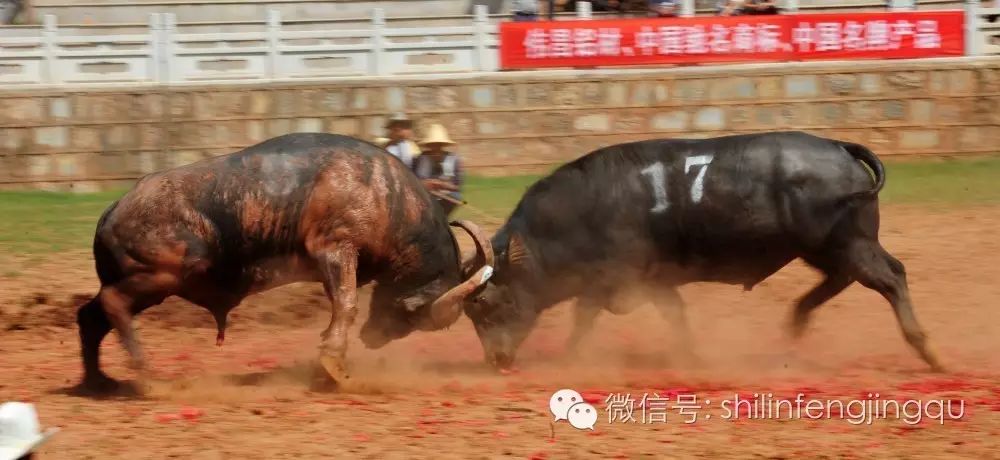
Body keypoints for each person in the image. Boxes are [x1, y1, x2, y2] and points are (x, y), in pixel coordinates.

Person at [412, 124, 464, 217]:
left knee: (456, 197)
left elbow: (457, 187)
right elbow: (413, 182)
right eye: (432, 145)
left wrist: (441, 184)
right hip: (425, 195)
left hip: (446, 195)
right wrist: (426, 184)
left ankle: (442, 219)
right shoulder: (420, 159)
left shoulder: (452, 159)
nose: (436, 149)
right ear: (428, 146)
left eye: (439, 145)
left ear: (443, 145)